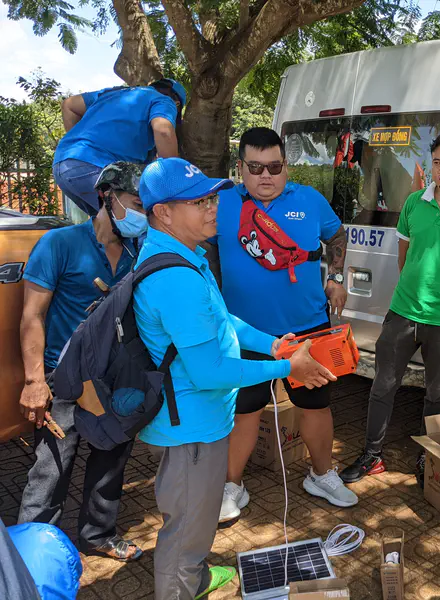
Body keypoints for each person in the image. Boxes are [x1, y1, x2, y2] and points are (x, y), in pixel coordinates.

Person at [133, 157, 335, 600]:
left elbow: (226, 323)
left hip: (201, 419)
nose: (211, 208)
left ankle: (197, 576)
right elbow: (211, 372)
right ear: (164, 213)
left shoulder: (187, 258)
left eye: (209, 197)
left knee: (199, 515)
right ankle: (181, 588)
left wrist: (276, 345)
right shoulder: (176, 279)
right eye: (197, 201)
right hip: (192, 425)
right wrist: (288, 368)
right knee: (186, 525)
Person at [211, 127, 357, 519]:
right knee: (244, 410)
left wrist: (336, 278)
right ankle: (232, 485)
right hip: (246, 332)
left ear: (286, 166)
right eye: (255, 167)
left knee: (316, 405)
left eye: (274, 166)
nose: (266, 176)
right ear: (240, 167)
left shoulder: (309, 200)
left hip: (308, 327)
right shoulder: (220, 204)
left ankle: (322, 474)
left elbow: (337, 237)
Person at [341, 130, 440, 484]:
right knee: (383, 386)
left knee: (436, 396)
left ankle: (429, 460)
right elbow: (404, 260)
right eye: (437, 162)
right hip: (403, 313)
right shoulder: (413, 203)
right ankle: (372, 455)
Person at [17, 162, 146, 560]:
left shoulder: (138, 250)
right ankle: (33, 557)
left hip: (113, 378)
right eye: (137, 202)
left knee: (111, 458)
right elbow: (32, 317)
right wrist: (35, 381)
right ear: (108, 198)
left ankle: (97, 535)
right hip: (65, 377)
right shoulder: (60, 244)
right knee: (51, 468)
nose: (144, 211)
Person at [54, 78, 185, 216]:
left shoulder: (114, 93)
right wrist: (174, 180)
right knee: (144, 219)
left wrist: (81, 148)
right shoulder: (164, 100)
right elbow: (163, 131)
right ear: (177, 104)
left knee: (107, 229)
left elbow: (69, 105)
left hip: (62, 165)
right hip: (97, 166)